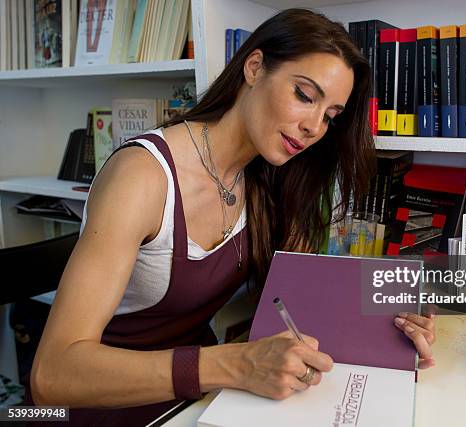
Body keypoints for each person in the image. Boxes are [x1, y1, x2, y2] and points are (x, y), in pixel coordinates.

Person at [29, 8, 436, 425]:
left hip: (200, 403)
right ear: (255, 67)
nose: (314, 126)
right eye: (304, 95)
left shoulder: (269, 175)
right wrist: (236, 364)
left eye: (330, 116)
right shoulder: (142, 176)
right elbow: (53, 375)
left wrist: (386, 324)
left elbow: (300, 307)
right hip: (106, 409)